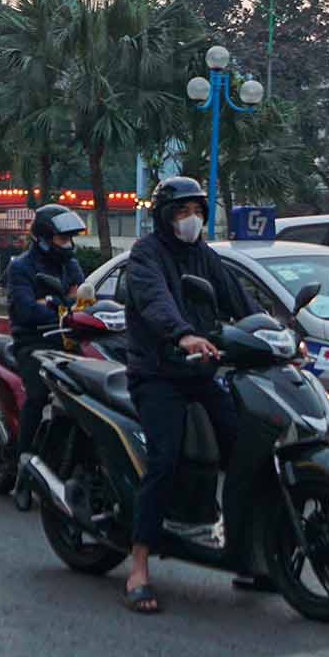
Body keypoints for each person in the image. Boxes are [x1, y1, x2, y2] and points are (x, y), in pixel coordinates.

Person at [117, 175, 256, 614]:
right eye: (181, 212)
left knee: (244, 444)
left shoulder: (203, 255)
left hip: (201, 370)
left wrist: (275, 332)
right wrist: (183, 335)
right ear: (163, 217)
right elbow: (157, 302)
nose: (190, 220)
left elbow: (239, 298)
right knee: (164, 458)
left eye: (196, 211)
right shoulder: (146, 255)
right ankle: (139, 564)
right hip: (158, 372)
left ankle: (246, 549)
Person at [5, 204, 89, 510]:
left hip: (66, 338)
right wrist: (59, 304)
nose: (67, 244)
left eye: (69, 238)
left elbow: (81, 299)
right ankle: (22, 473)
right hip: (32, 341)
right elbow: (27, 309)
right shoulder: (21, 267)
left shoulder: (70, 264)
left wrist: (57, 302)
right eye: (61, 238)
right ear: (42, 238)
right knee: (38, 396)